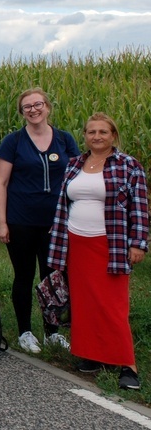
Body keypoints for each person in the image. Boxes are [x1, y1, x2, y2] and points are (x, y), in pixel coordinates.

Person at [48, 112, 148, 390]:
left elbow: (139, 208)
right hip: (76, 243)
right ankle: (93, 356)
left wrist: (138, 243)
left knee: (113, 305)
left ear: (113, 135)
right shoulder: (74, 164)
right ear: (85, 136)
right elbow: (64, 204)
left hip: (110, 244)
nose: (97, 137)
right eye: (91, 132)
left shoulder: (129, 165)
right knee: (84, 304)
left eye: (103, 132)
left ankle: (128, 365)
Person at [0, 88, 79, 353]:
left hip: (56, 222)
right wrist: (2, 221)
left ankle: (52, 331)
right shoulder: (14, 141)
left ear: (47, 107)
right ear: (22, 112)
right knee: (24, 275)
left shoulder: (64, 140)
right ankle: (25, 332)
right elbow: (1, 182)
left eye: (37, 104)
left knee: (52, 277)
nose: (33, 110)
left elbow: (77, 178)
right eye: (27, 106)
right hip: (21, 220)